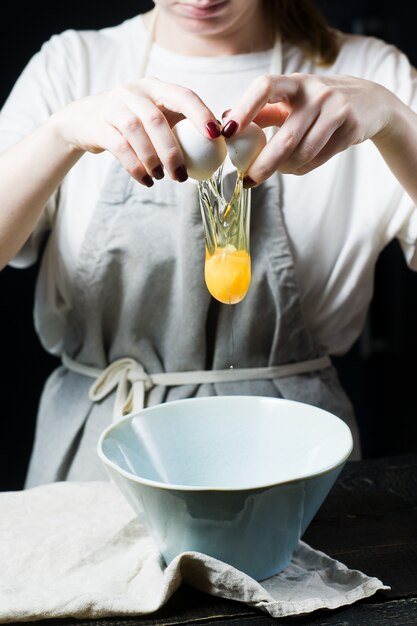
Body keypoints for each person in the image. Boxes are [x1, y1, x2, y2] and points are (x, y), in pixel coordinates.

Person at [1, 0, 416, 486]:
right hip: (102, 459)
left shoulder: (369, 72)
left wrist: (394, 121)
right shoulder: (73, 66)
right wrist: (60, 135)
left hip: (294, 456)